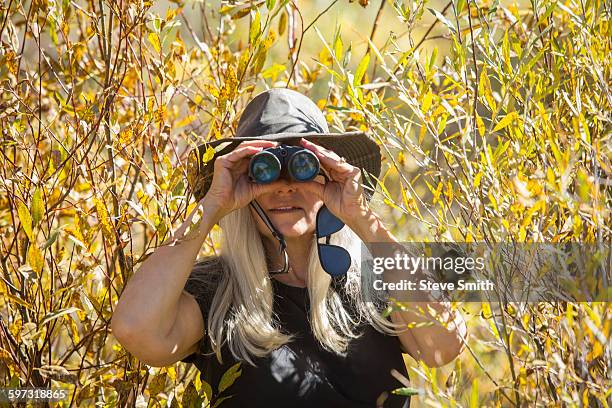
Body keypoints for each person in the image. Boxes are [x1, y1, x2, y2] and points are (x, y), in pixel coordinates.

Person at [111, 88, 467, 407]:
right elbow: (135, 330)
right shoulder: (217, 293)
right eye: (264, 169)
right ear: (243, 181)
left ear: (329, 172)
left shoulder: (377, 277)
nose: (284, 187)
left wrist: (359, 216)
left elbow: (444, 344)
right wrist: (212, 205)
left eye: (301, 167)